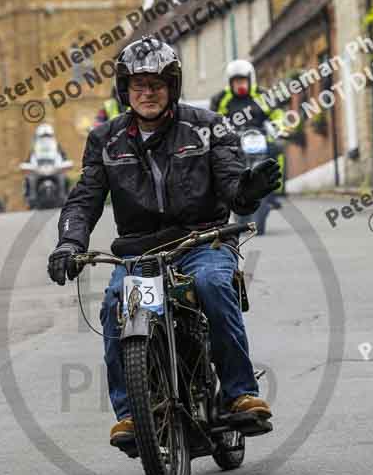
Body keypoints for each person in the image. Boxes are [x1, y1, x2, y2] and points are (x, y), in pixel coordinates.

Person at [47, 38, 281, 452]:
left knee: (212, 284)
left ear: (172, 86)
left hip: (203, 241)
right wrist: (69, 242)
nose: (148, 93)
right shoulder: (105, 140)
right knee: (115, 303)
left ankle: (240, 392)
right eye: (139, 85)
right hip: (140, 252)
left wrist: (248, 190)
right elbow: (84, 199)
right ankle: (131, 414)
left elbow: (233, 187)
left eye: (156, 84)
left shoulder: (209, 126)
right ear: (125, 90)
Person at [211, 59, 286, 207]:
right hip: (233, 139)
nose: (240, 85)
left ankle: (276, 190)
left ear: (251, 80)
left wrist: (278, 125)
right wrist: (218, 133)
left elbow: (277, 113)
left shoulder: (262, 95)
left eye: (243, 81)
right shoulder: (221, 98)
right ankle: (220, 192)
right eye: (237, 81)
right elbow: (213, 118)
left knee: (277, 149)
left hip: (260, 136)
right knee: (216, 157)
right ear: (230, 82)